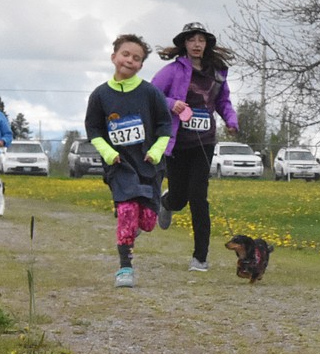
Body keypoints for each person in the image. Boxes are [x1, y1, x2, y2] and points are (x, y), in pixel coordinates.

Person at [150, 22, 239, 273]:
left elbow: (223, 101)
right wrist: (171, 104)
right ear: (184, 44)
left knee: (199, 197)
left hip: (205, 142)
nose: (197, 44)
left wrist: (231, 121)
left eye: (201, 40)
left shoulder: (218, 73)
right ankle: (167, 203)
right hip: (178, 142)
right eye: (192, 40)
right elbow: (152, 95)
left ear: (207, 44)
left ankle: (200, 257)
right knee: (180, 198)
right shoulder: (171, 71)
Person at [85, 34, 172, 288]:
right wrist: (109, 154)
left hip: (149, 164)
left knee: (146, 221)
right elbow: (94, 130)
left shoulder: (150, 93)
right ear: (114, 57)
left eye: (136, 58)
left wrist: (156, 152)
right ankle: (125, 268)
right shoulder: (100, 95)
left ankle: (154, 209)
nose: (129, 60)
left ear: (141, 66)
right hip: (119, 165)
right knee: (125, 211)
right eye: (126, 54)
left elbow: (165, 126)